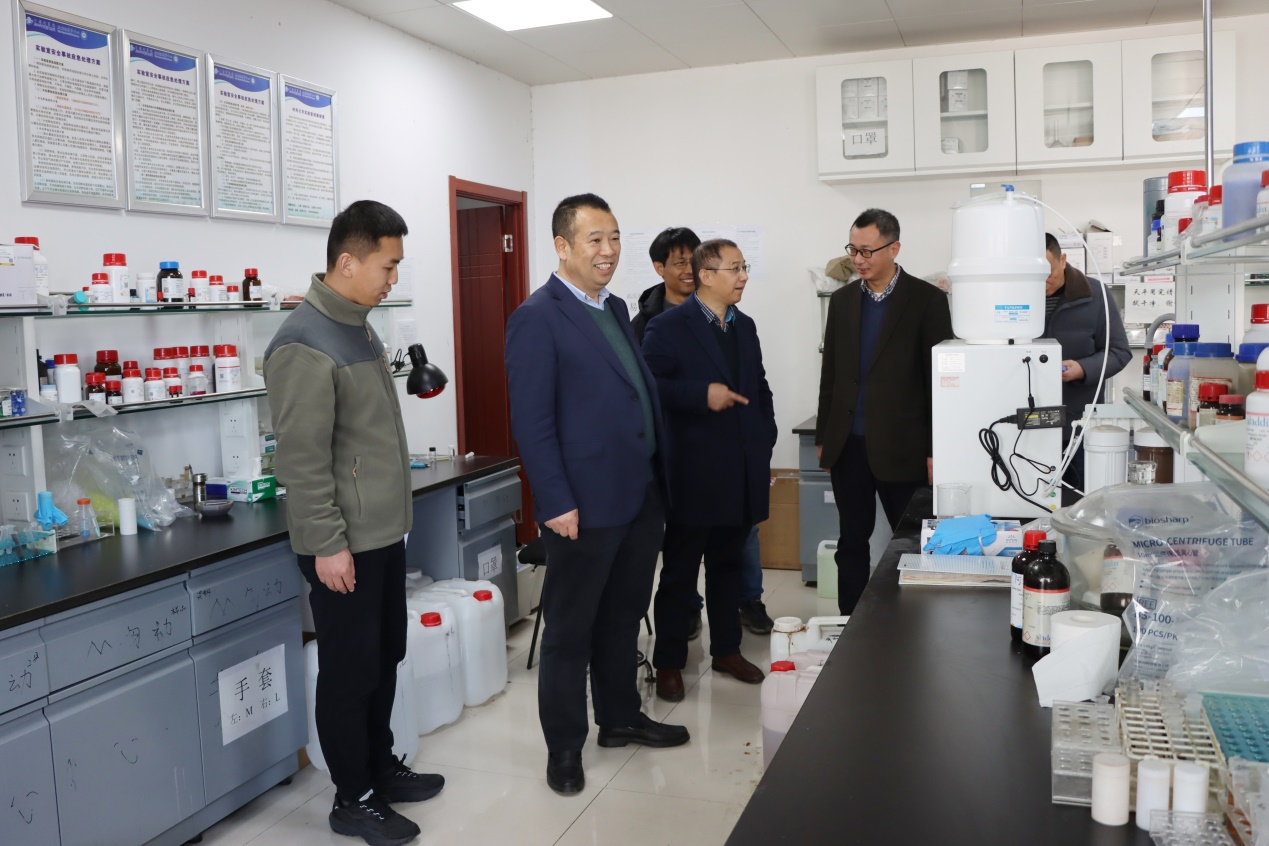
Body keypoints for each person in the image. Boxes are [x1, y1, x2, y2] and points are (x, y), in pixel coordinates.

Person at [265, 200, 442, 846]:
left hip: (381, 534)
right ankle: (353, 797)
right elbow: (303, 460)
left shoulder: (359, 327)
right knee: (349, 669)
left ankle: (379, 766)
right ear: (347, 262)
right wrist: (326, 545)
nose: (393, 279)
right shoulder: (302, 342)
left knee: (384, 655)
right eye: (387, 267)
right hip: (343, 544)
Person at [504, 193, 689, 797]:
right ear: (562, 246)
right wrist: (555, 500)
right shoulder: (538, 316)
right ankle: (564, 747)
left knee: (621, 617)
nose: (608, 251)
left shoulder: (612, 307)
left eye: (614, 238)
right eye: (595, 239)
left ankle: (620, 717)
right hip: (581, 504)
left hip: (638, 495)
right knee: (570, 630)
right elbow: (532, 422)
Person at [642, 239, 777, 702]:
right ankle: (669, 661)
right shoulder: (667, 327)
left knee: (728, 566)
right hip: (693, 472)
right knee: (680, 573)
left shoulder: (745, 325)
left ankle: (727, 651)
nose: (743, 276)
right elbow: (651, 387)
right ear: (705, 275)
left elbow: (759, 386)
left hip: (741, 469)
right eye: (734, 268)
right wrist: (702, 395)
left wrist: (764, 438)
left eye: (744, 267)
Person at [816, 208, 953, 616]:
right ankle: (849, 624)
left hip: (904, 447)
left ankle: (913, 626)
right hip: (848, 446)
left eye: (867, 251)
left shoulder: (927, 301)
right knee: (851, 542)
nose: (858, 260)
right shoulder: (842, 301)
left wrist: (935, 449)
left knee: (911, 542)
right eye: (853, 250)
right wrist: (825, 437)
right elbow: (831, 374)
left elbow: (938, 382)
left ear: (894, 249)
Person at [1041, 232, 1131, 500]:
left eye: (1048, 272)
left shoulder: (1095, 295)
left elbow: (1119, 352)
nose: (1042, 281)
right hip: (1026, 426)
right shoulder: (1012, 298)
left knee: (1081, 502)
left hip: (1078, 425)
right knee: (1031, 501)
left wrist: (1082, 368)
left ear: (1063, 260)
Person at [631, 226, 700, 343]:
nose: (690, 270)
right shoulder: (642, 325)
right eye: (680, 263)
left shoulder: (720, 311)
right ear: (660, 268)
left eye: (695, 262)